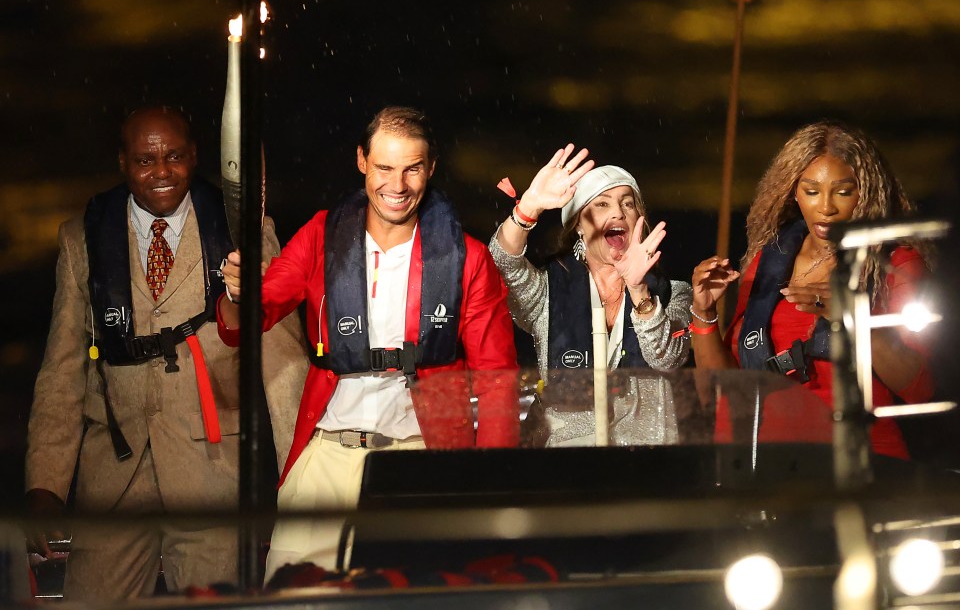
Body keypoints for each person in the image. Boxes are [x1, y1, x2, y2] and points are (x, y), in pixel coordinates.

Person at [218, 105, 520, 579]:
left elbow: (498, 382)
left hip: (421, 460)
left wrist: (487, 484)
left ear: (431, 168)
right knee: (296, 595)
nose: (396, 186)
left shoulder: (469, 257)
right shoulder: (322, 236)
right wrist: (238, 291)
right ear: (362, 161)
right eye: (383, 167)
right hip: (328, 456)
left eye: (411, 169)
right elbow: (246, 321)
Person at [24, 105, 307, 601]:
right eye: (144, 160)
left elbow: (282, 360)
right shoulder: (84, 237)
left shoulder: (240, 228)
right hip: (113, 470)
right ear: (122, 163)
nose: (160, 171)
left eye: (174, 156)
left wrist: (297, 476)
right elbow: (62, 371)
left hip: (213, 470)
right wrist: (44, 485)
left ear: (195, 156)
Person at [690, 121, 934, 458]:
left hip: (862, 457)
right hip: (769, 460)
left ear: (865, 192)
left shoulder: (898, 263)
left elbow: (920, 388)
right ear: (793, 191)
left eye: (843, 191)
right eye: (812, 190)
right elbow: (726, 392)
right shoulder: (768, 260)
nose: (826, 207)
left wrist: (854, 316)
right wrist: (703, 313)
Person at [488, 146, 692, 446]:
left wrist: (638, 290)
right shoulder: (548, 291)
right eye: (601, 204)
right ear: (579, 226)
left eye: (628, 203)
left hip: (646, 462)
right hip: (567, 459)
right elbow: (500, 267)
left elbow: (667, 359)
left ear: (640, 220)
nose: (618, 211)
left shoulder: (674, 294)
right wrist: (527, 208)